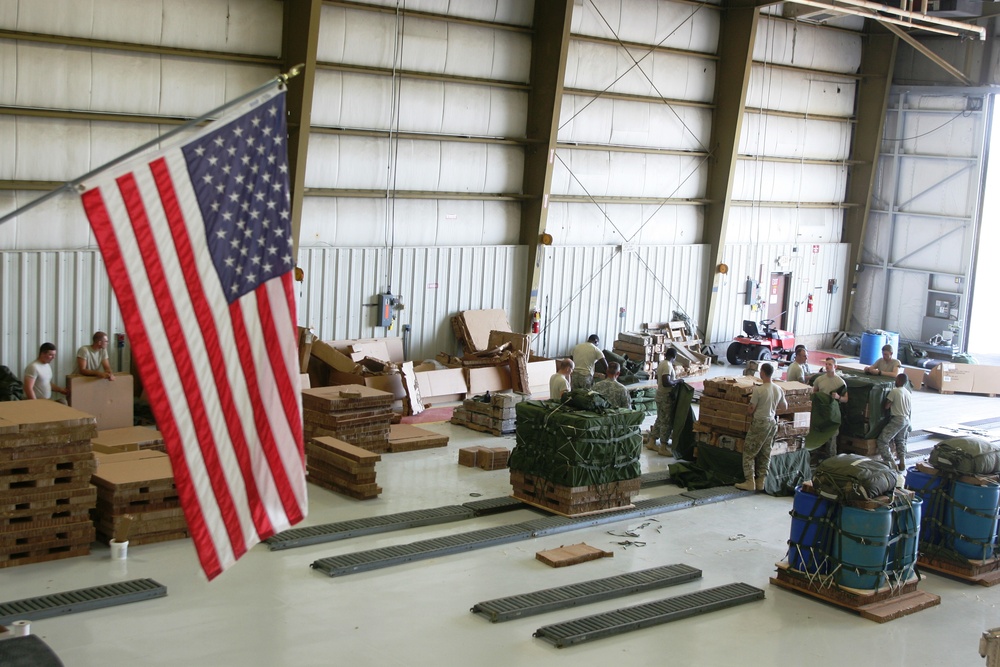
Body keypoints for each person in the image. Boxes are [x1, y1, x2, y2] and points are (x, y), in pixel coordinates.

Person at [735, 362, 786, 492]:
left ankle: (749, 481)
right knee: (765, 452)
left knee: (749, 452)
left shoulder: (759, 390)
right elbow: (784, 407)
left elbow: (751, 409)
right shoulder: (778, 389)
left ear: (762, 373)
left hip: (760, 423)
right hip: (772, 423)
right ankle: (761, 481)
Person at [813, 357, 848, 458]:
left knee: (832, 435)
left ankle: (832, 458)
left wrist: (838, 397)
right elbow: (814, 392)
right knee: (818, 432)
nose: (827, 366)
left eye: (830, 364)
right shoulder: (819, 379)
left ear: (835, 366)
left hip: (833, 412)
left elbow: (846, 399)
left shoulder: (840, 382)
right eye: (826, 364)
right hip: (821, 411)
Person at [876, 373, 911, 472]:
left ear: (899, 380)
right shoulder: (907, 392)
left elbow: (887, 406)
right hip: (906, 419)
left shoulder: (894, 391)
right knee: (900, 441)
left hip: (897, 419)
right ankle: (902, 461)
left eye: (896, 379)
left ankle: (891, 463)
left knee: (882, 441)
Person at [648, 347, 679, 456]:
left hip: (660, 395)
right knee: (666, 422)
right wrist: (677, 381)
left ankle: (652, 441)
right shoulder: (667, 365)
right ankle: (663, 446)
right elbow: (666, 382)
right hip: (666, 396)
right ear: (674, 357)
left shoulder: (662, 363)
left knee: (660, 419)